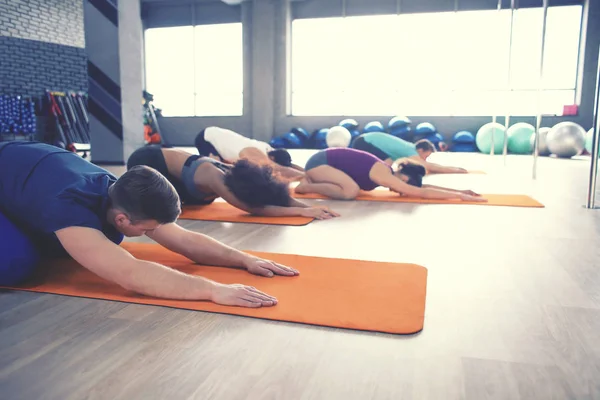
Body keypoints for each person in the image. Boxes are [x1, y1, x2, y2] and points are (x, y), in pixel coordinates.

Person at [0, 141, 303, 308]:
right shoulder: (68, 206)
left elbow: (184, 240)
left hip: (30, 169)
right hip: (16, 173)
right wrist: (213, 290)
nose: (150, 235)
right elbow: (131, 274)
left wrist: (244, 259)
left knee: (99, 243)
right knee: (16, 264)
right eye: (146, 230)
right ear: (123, 218)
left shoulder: (123, 192)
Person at [126, 145, 338, 220]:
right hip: (148, 161)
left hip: (185, 179)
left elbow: (276, 196)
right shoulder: (215, 177)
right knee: (159, 206)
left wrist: (311, 207)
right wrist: (301, 212)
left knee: (184, 203)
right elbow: (253, 208)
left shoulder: (238, 173)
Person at [295, 147, 487, 202]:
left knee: (350, 189)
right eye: (402, 182)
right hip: (319, 162)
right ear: (400, 171)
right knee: (350, 191)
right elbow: (419, 193)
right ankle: (306, 185)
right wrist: (459, 197)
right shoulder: (383, 172)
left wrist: (460, 190)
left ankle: (311, 179)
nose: (400, 189)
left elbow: (419, 188)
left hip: (326, 167)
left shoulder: (388, 174)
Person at [195, 126, 305, 180]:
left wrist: (308, 172)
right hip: (206, 137)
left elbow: (289, 165)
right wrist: (306, 176)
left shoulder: (269, 149)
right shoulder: (253, 152)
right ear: (272, 158)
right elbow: (278, 168)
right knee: (216, 168)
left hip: (219, 134)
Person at [351, 132, 468, 174]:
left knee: (389, 164)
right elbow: (428, 166)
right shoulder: (410, 151)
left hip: (364, 140)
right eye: (426, 156)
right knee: (388, 166)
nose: (425, 159)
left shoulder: (408, 148)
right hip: (364, 142)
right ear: (420, 150)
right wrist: (456, 170)